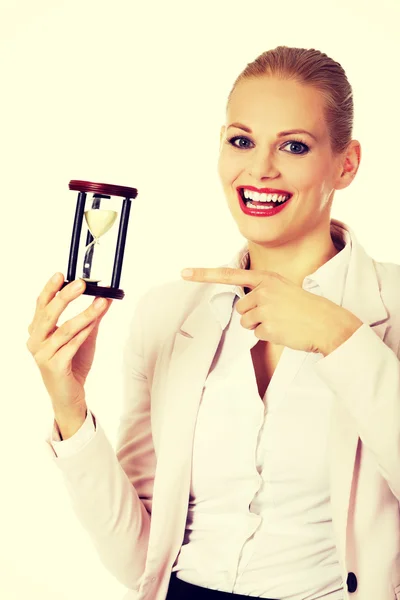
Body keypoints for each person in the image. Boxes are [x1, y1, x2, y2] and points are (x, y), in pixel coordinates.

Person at [26, 45, 400, 600]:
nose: (260, 169)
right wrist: (70, 408)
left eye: (294, 146)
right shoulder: (168, 314)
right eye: (241, 141)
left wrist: (338, 338)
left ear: (345, 164)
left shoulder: (390, 305)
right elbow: (139, 559)